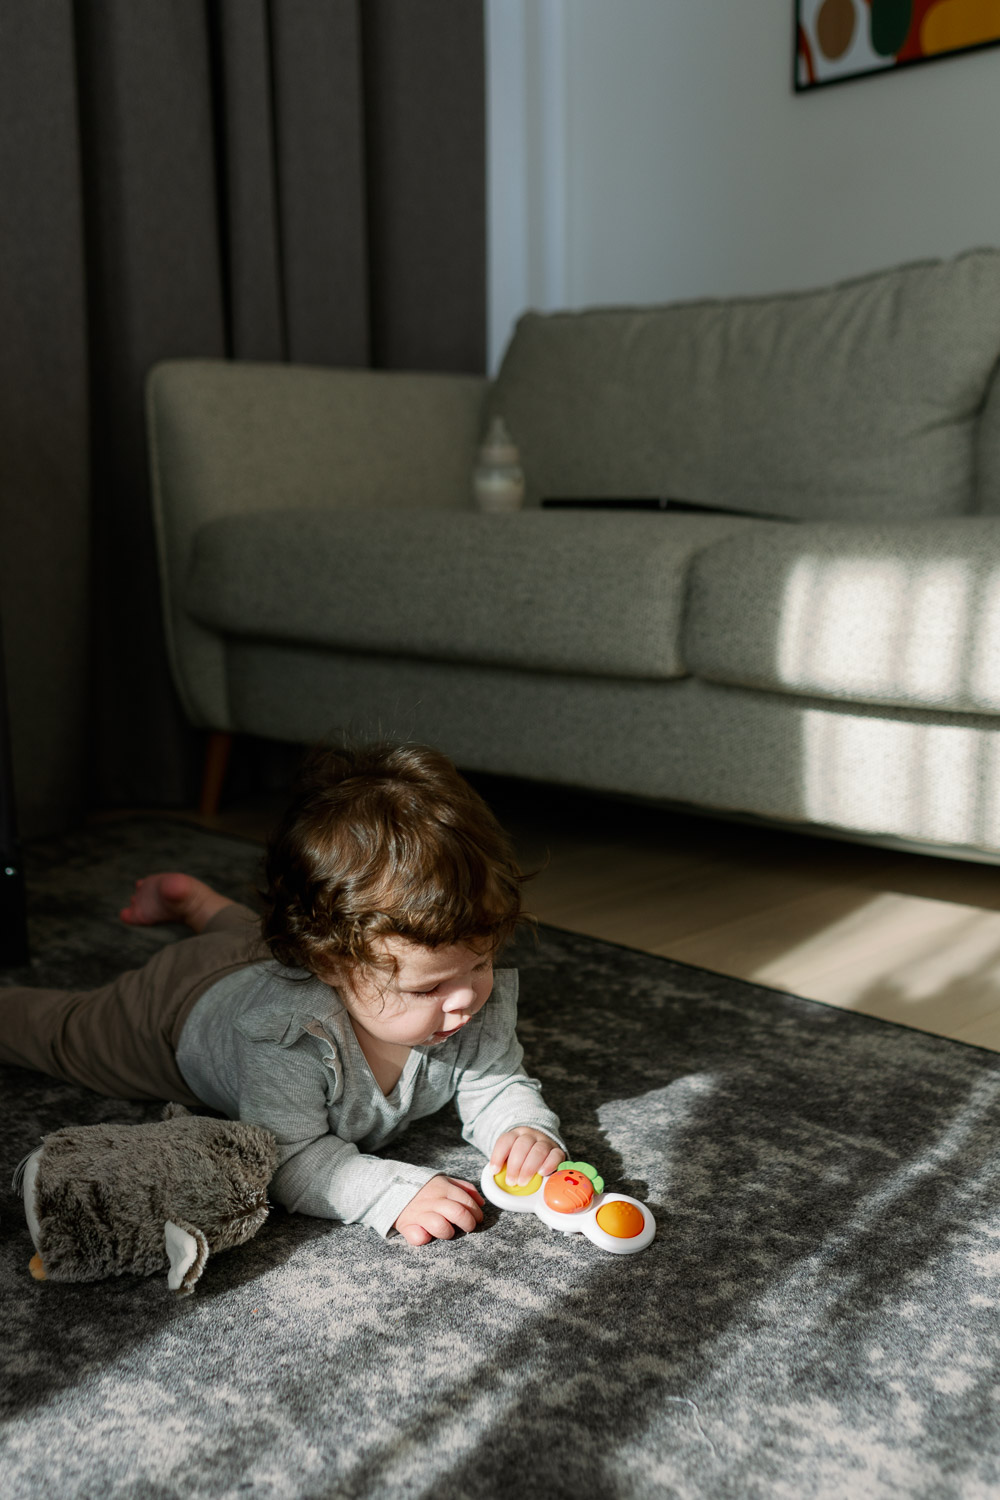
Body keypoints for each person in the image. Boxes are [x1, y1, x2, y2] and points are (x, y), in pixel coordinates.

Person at [0, 743, 566, 1245]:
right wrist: (391, 1189)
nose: (467, 998)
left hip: (260, 957)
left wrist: (523, 1129)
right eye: (430, 986)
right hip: (174, 1008)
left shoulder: (457, 997)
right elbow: (287, 1157)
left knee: (252, 941)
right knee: (60, 1032)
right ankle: (198, 918)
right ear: (332, 965)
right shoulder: (290, 1038)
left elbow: (497, 1083)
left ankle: (197, 906)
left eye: (484, 961)